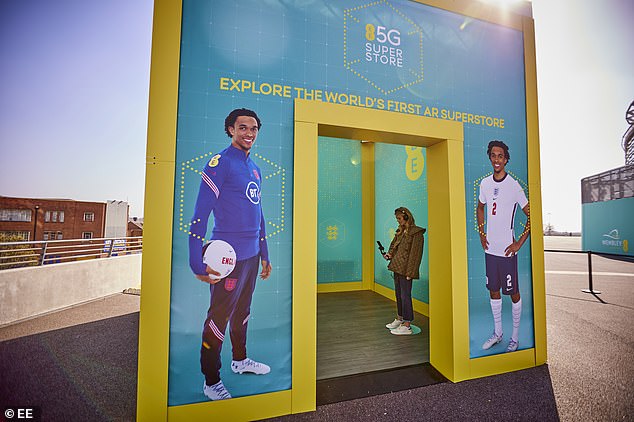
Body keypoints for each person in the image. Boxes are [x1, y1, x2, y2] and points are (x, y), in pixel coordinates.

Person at [188, 108, 273, 401]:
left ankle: (240, 360)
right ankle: (211, 381)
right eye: (242, 128)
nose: (248, 133)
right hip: (227, 259)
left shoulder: (255, 169)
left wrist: (265, 253)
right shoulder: (219, 163)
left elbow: (258, 213)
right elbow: (200, 215)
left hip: (251, 257)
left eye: (253, 129)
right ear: (230, 130)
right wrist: (195, 260)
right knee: (218, 318)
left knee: (243, 313)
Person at [477, 140, 530, 353]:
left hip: (507, 252)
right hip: (490, 251)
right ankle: (498, 334)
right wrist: (482, 233)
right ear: (490, 157)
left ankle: (514, 337)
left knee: (513, 293)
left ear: (506, 159)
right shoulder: (484, 184)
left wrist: (519, 243)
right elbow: (480, 208)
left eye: (500, 156)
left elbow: (531, 215)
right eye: (493, 155)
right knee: (493, 291)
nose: (496, 159)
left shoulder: (514, 186)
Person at [383, 207, 425, 335]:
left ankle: (407, 325)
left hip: (406, 270)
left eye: (399, 218)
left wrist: (410, 273)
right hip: (397, 267)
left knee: (405, 296)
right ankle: (400, 318)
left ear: (406, 217)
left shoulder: (416, 233)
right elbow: (393, 246)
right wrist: (390, 255)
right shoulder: (400, 232)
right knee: (398, 295)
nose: (398, 221)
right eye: (397, 219)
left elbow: (416, 255)